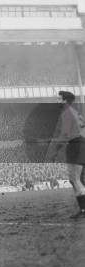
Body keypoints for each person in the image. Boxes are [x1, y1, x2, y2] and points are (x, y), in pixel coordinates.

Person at [47, 91, 85, 219]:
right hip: (79, 144)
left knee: (75, 179)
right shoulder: (74, 112)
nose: (56, 101)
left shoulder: (66, 113)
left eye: (58, 98)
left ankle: (84, 210)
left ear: (64, 100)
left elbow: (65, 134)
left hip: (77, 144)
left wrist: (54, 152)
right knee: (74, 180)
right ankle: (82, 209)